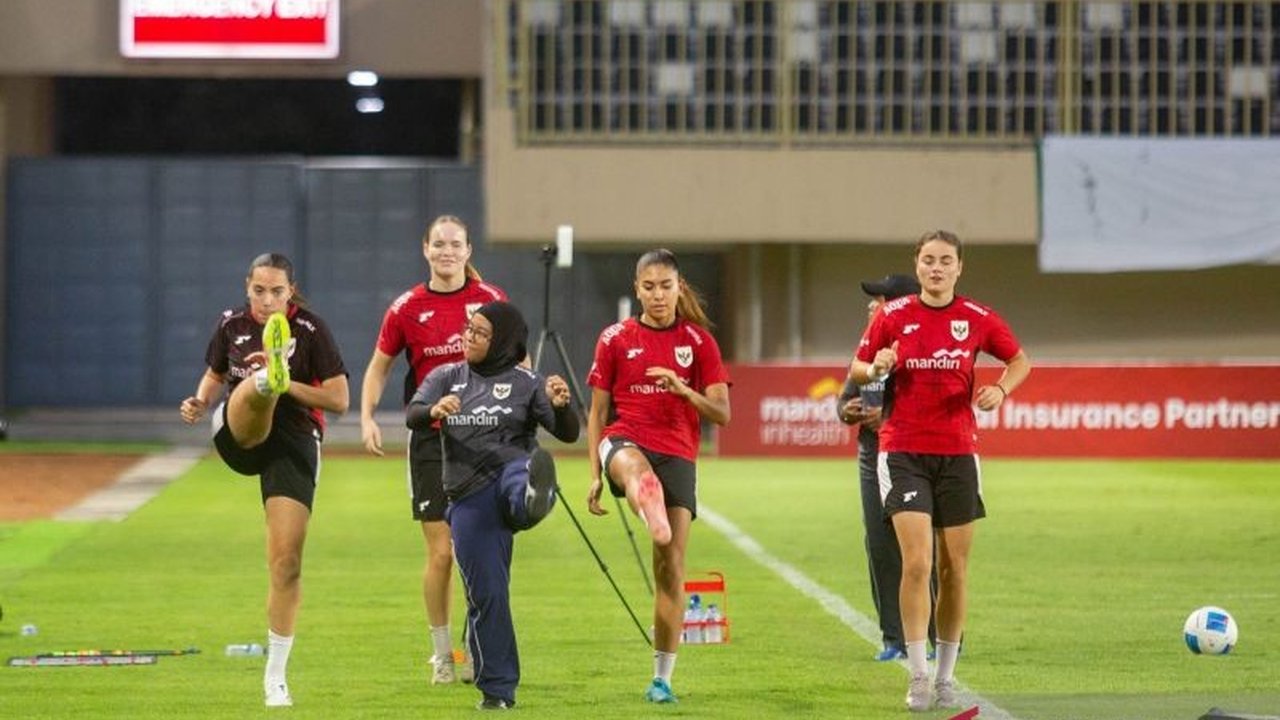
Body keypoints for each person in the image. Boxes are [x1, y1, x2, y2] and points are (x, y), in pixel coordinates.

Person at [849, 230, 1030, 712]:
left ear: (958, 267)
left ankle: (947, 677)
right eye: (928, 260)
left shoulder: (977, 317)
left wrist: (1001, 390)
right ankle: (918, 675)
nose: (935, 268)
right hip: (903, 450)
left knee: (955, 568)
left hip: (958, 452)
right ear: (918, 264)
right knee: (917, 563)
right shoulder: (892, 316)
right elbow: (859, 367)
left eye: (944, 260)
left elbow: (1019, 360)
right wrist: (878, 364)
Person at [179, 252, 349, 708]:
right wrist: (198, 400)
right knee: (255, 389)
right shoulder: (231, 324)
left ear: (291, 290)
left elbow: (339, 400)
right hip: (240, 431)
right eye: (259, 290)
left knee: (286, 564)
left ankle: (275, 678)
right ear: (247, 287)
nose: (267, 300)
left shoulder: (312, 329)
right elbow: (214, 374)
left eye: (277, 291)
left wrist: (290, 384)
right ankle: (264, 382)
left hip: (293, 441)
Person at [405, 301, 579, 711]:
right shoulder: (446, 376)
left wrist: (559, 405)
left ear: (503, 340)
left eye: (480, 332)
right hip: (468, 495)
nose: (469, 336)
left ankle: (531, 497)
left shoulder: (528, 382)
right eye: (469, 328)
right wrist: (434, 409)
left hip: (510, 472)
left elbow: (568, 433)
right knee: (488, 594)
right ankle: (498, 691)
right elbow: (413, 414)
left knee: (518, 478)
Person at [359, 214, 507, 684]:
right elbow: (378, 368)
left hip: (482, 437)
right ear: (425, 249)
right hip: (429, 440)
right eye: (438, 243)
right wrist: (367, 418)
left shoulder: (491, 301)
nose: (447, 251)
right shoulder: (406, 308)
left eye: (455, 244)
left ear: (468, 251)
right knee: (441, 552)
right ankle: (443, 655)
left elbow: (518, 361)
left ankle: (477, 647)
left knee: (476, 550)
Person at [585, 248, 731, 705]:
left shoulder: (700, 342)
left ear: (678, 287)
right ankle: (642, 492)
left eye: (665, 286)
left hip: (678, 454)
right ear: (637, 289)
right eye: (648, 287)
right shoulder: (614, 338)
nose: (657, 295)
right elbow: (598, 413)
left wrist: (682, 388)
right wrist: (594, 473)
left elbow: (722, 413)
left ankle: (662, 679)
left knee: (671, 570)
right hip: (625, 439)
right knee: (633, 467)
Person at [837, 273, 937, 663]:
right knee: (879, 546)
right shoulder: (866, 354)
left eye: (878, 300)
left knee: (921, 550)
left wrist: (890, 416)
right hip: (870, 457)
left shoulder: (927, 351)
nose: (870, 306)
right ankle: (893, 638)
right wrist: (848, 412)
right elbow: (845, 400)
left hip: (913, 456)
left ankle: (937, 635)